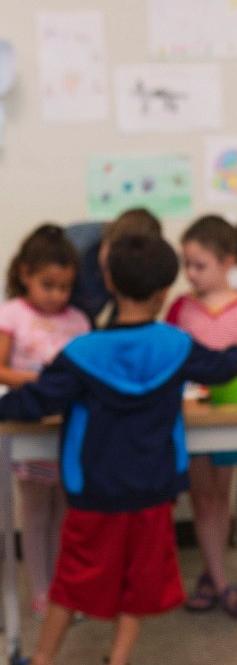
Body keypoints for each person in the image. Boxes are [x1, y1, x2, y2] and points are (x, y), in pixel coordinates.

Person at [0, 234, 237, 665]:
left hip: (95, 490)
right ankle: (117, 659)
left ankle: (41, 659)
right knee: (142, 580)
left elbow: (39, 399)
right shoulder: (175, 344)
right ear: (163, 292)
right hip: (154, 489)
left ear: (109, 280)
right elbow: (221, 367)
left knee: (72, 580)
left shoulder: (81, 352)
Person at [166, 214, 237, 619]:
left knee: (218, 497)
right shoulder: (180, 307)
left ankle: (214, 576)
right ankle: (219, 580)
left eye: (200, 265)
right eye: (186, 265)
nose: (190, 274)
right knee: (203, 497)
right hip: (194, 417)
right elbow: (167, 355)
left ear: (227, 261)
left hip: (232, 417)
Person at [0, 224, 90, 618]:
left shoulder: (80, 321)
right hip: (28, 428)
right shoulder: (12, 315)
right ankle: (41, 590)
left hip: (67, 432)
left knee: (67, 513)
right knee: (35, 514)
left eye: (65, 287)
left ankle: (67, 591)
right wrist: (44, 382)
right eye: (47, 285)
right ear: (24, 274)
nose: (56, 296)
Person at [66, 207, 162, 327]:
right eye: (108, 266)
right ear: (106, 238)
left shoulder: (142, 264)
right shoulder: (76, 250)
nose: (111, 275)